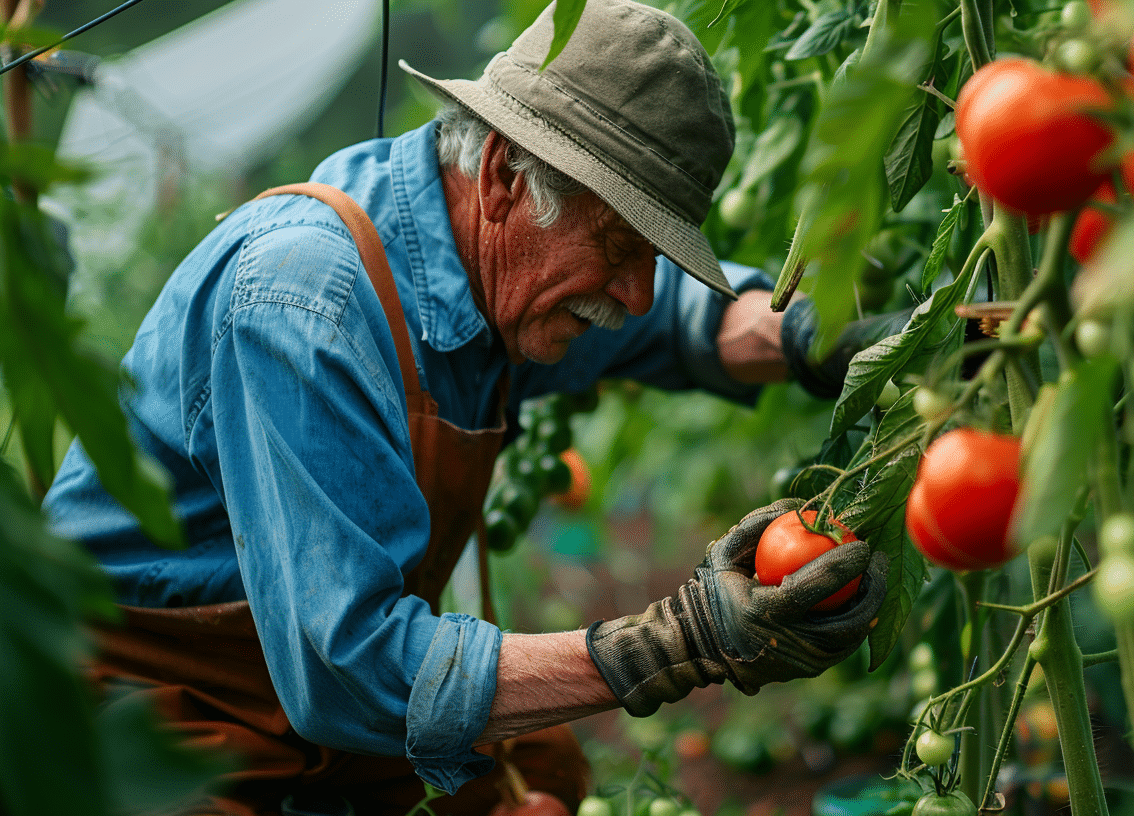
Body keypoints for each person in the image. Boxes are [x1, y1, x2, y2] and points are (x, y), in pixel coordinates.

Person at [42, 2, 892, 814]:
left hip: (294, 696)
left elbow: (675, 322)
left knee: (541, 769)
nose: (635, 293)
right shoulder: (307, 306)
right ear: (500, 177)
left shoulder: (497, 265)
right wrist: (675, 640)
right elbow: (350, 669)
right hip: (142, 719)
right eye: (621, 248)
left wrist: (809, 337)